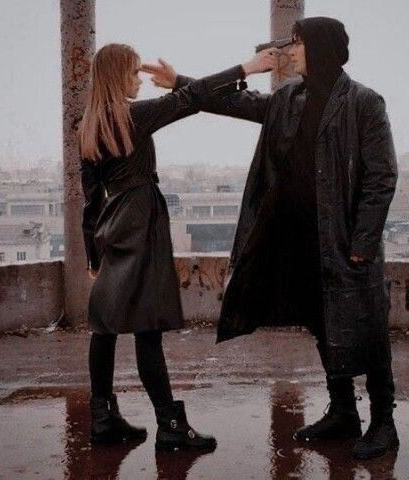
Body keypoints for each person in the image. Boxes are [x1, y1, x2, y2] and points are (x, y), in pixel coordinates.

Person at [145, 16, 399, 459]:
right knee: (323, 325)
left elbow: (381, 178)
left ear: (320, 48)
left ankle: (383, 424)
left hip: (345, 242)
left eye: (298, 43)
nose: (290, 50)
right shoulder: (290, 98)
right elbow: (236, 105)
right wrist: (179, 83)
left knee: (370, 333)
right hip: (303, 238)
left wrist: (361, 244)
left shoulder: (364, 103)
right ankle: (343, 413)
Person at [78, 43, 277, 450]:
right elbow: (194, 97)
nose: (138, 80)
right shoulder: (134, 117)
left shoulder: (89, 126)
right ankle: (170, 424)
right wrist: (248, 67)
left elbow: (90, 202)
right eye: (133, 73)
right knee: (147, 327)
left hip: (111, 227)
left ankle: (103, 419)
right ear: (118, 76)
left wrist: (93, 258)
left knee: (105, 326)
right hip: (142, 222)